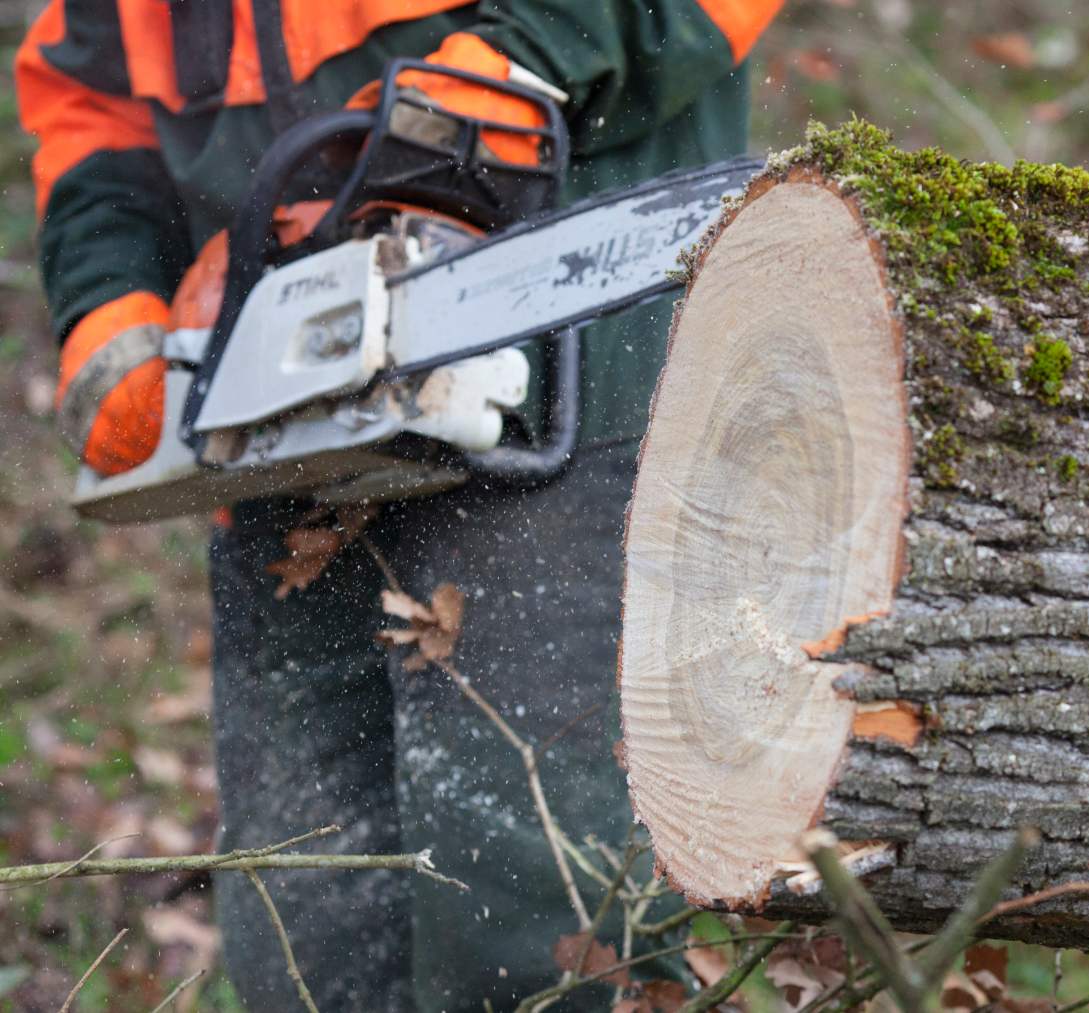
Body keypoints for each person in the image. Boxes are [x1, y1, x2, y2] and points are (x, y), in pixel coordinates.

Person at [14, 1, 782, 1008]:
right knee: (305, 917)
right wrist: (109, 295)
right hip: (279, 423)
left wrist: (528, 56)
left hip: (571, 378)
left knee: (537, 915)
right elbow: (90, 92)